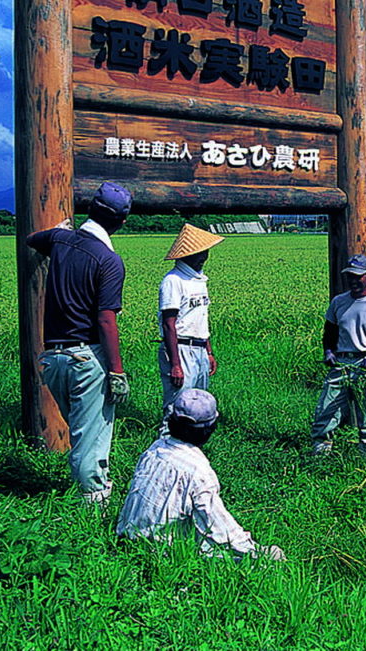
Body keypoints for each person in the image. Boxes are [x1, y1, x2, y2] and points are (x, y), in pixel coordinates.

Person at [27, 182, 132, 504]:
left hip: (52, 360)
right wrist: (116, 371)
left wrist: (59, 231)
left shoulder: (60, 240)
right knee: (92, 439)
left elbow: (34, 240)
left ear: (90, 210)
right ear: (122, 221)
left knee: (79, 431)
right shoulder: (108, 260)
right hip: (86, 359)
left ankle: (82, 493)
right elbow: (106, 319)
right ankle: (93, 508)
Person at [117, 389, 285, 561]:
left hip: (127, 535)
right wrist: (257, 552)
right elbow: (218, 525)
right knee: (217, 550)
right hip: (160, 551)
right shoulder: (197, 470)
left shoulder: (156, 448)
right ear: (209, 429)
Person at [311, 254, 366, 456]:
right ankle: (321, 451)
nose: (353, 281)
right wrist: (328, 351)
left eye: (358, 276)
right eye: (350, 276)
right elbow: (330, 331)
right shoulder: (338, 302)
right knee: (326, 408)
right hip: (341, 363)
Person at [158, 224, 223, 432]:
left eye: (205, 252)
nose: (204, 257)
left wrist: (208, 352)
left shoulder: (199, 280)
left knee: (198, 404)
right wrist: (175, 364)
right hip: (181, 348)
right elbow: (169, 324)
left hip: (199, 348)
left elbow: (201, 319)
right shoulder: (173, 280)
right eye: (200, 252)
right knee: (177, 406)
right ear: (187, 254)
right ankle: (166, 444)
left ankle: (193, 444)